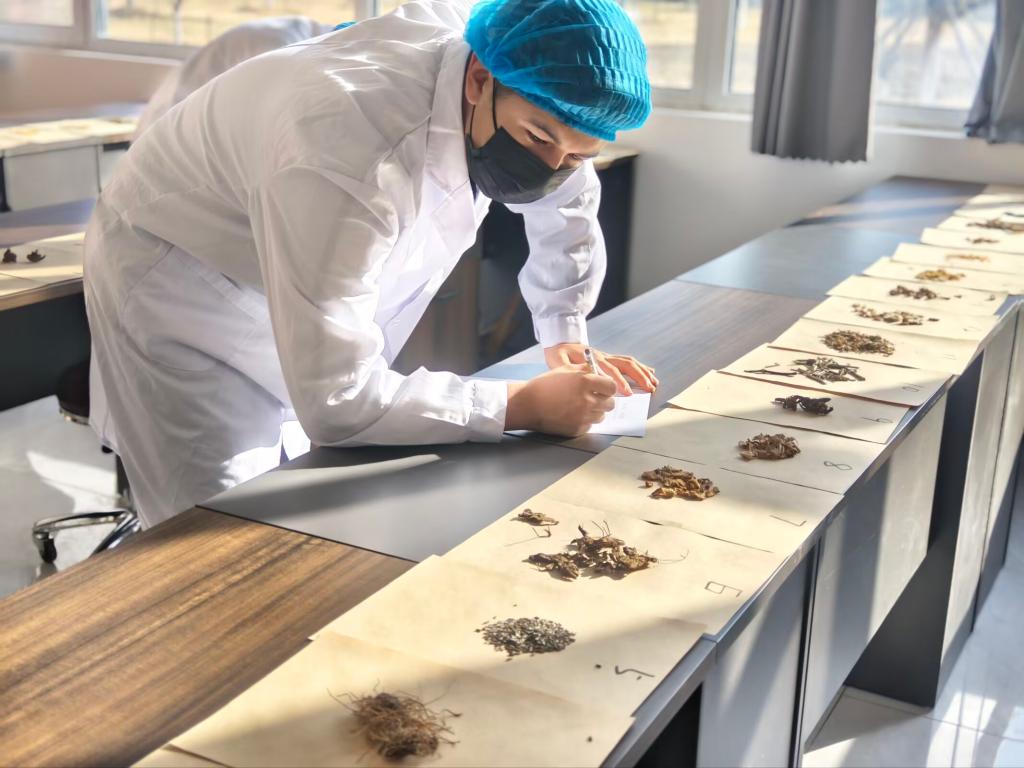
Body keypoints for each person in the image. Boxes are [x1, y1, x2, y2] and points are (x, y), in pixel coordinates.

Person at [84, 0, 658, 527]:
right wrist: (517, 405)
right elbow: (337, 401)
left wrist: (565, 333)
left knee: (298, 502)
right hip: (182, 285)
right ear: (480, 81)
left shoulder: (524, 85)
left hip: (290, 255)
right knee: (218, 531)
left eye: (577, 155)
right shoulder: (347, 154)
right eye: (537, 139)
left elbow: (569, 204)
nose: (552, 166)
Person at [133, 16, 341, 138]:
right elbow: (281, 121)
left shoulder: (308, 37)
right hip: (166, 131)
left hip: (189, 126)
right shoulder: (282, 47)